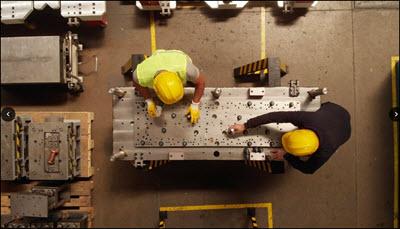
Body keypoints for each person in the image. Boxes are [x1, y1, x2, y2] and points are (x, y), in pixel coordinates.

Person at [229, 102, 351, 174]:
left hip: (345, 132)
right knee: (324, 106)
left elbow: (309, 169)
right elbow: (277, 116)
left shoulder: (324, 152)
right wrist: (245, 125)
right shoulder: (309, 119)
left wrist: (286, 155)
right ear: (302, 130)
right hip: (337, 110)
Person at [132, 49, 206, 124]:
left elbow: (201, 82)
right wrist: (149, 101)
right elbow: (137, 84)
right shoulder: (140, 75)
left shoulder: (187, 70)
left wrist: (195, 104)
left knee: (194, 82)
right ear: (155, 90)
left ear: (179, 81)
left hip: (177, 55)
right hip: (156, 57)